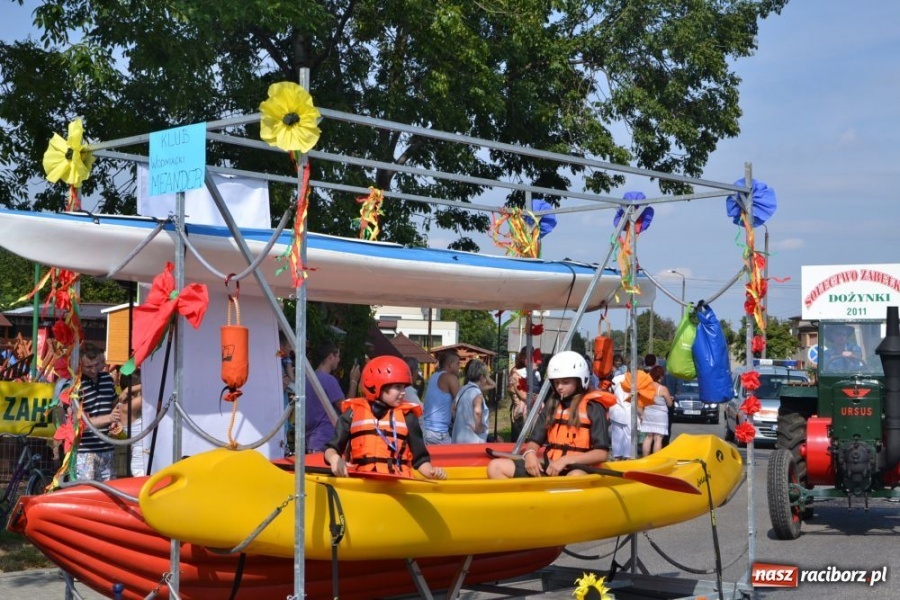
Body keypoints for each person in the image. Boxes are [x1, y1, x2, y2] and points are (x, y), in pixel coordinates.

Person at [487, 351, 611, 479]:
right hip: (551, 466)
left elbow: (602, 453)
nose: (560, 387)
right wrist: (530, 453)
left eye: (565, 382)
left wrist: (566, 460)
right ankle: (525, 498)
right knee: (495, 467)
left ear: (580, 380)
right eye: (556, 382)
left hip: (579, 469)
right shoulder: (552, 404)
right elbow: (534, 441)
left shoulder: (594, 407)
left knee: (575, 476)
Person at [323, 356, 446, 480]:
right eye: (398, 387)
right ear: (377, 386)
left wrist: (432, 472)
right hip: (362, 485)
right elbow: (331, 448)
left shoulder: (408, 417)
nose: (403, 392)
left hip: (396, 486)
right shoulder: (352, 414)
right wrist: (334, 458)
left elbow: (420, 460)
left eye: (404, 387)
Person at [74, 344, 121, 481]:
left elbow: (113, 404)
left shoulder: (107, 379)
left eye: (96, 365)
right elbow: (79, 423)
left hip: (107, 448)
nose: (94, 370)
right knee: (86, 493)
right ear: (81, 365)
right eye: (89, 367)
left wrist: (116, 419)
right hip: (86, 452)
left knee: (109, 493)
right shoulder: (76, 385)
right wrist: (109, 418)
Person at [304, 340, 361, 453]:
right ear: (330, 357)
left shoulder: (308, 378)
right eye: (338, 356)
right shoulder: (329, 380)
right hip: (325, 437)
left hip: (311, 438)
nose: (339, 360)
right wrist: (354, 381)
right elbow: (346, 408)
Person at [451, 359, 496, 443]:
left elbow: (453, 408)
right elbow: (478, 411)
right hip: (472, 439)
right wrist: (479, 428)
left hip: (458, 436)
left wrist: (460, 421)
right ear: (482, 377)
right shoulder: (477, 393)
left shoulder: (463, 389)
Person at [422, 350, 461, 445]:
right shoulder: (450, 378)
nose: (459, 367)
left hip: (426, 428)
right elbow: (462, 401)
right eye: (458, 364)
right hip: (439, 432)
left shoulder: (434, 376)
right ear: (450, 364)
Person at [508, 347, 542, 442]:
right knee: (519, 441)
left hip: (530, 411)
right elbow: (524, 396)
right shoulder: (517, 375)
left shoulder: (532, 374)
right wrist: (538, 397)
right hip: (520, 414)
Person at [638, 365, 673, 456]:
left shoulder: (646, 387)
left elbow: (641, 401)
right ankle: (654, 458)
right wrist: (670, 399)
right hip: (660, 415)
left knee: (649, 437)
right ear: (661, 376)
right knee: (658, 438)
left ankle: (645, 457)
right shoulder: (662, 389)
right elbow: (669, 404)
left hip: (648, 413)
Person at [115, 370, 145, 476]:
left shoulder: (123, 404)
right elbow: (155, 389)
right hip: (141, 462)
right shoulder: (127, 406)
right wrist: (129, 390)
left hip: (145, 456)